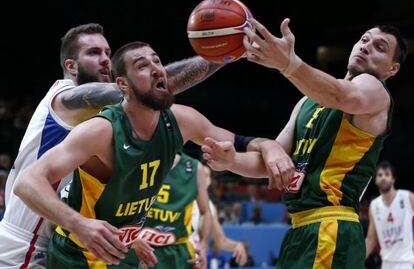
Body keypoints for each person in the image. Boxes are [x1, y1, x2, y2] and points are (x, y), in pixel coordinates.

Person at [13, 41, 291, 268]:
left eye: (157, 61)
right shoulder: (101, 131)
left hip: (123, 250)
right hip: (78, 254)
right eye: (142, 66)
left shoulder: (182, 120)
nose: (157, 69)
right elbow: (27, 183)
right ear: (122, 85)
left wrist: (271, 146)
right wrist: (80, 224)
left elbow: (243, 146)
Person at [0, 22, 230, 269]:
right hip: (25, 244)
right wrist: (224, 53)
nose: (104, 60)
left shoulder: (106, 120)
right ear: (71, 66)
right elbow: (149, 89)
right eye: (93, 53)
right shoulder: (65, 98)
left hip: (61, 239)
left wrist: (127, 238)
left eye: (108, 53)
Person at [202, 17, 407, 268]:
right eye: (364, 40)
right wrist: (231, 161)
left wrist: (288, 64)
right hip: (300, 229)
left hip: (332, 226)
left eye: (380, 47)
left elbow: (341, 94)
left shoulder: (374, 90)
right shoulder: (307, 102)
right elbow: (272, 161)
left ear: (392, 69)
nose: (366, 46)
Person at [139, 153, 212, 269]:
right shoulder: (136, 159)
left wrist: (203, 244)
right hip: (139, 247)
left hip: (178, 251)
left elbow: (206, 212)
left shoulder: (195, 167)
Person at [190, 164, 248, 267]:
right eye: (200, 174)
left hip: (195, 258)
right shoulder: (181, 197)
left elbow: (221, 241)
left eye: (206, 175)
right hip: (176, 252)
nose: (203, 178)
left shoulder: (210, 207)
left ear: (210, 181)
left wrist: (237, 245)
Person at [365, 161, 414, 268]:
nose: (383, 177)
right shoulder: (374, 205)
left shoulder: (407, 197)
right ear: (376, 180)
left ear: (393, 179)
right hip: (386, 263)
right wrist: (358, 259)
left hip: (406, 262)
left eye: (387, 174)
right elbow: (371, 239)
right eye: (380, 175)